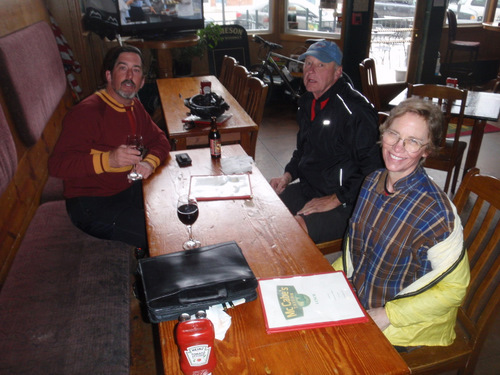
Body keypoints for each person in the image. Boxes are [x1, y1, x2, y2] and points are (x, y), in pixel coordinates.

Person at [333, 97, 470, 349]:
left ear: (426, 151)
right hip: (361, 299)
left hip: (402, 323)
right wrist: (331, 277)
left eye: (413, 141)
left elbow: (454, 289)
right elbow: (357, 248)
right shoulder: (373, 180)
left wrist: (386, 315)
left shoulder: (436, 214)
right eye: (393, 134)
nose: (398, 147)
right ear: (383, 133)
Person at [49, 45, 170, 253]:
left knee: (175, 212)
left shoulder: (134, 107)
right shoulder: (87, 112)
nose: (129, 75)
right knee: (162, 236)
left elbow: (160, 140)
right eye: (123, 68)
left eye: (136, 70)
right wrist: (109, 160)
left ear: (142, 82)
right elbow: (57, 166)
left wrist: (149, 163)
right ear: (109, 75)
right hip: (92, 205)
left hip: (127, 190)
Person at [270, 40, 383, 244]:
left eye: (321, 65)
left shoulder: (355, 111)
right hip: (310, 188)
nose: (311, 71)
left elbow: (374, 171)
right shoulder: (306, 102)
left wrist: (335, 199)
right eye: (308, 64)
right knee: (266, 212)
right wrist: (287, 176)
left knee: (292, 234)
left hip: (348, 202)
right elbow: (303, 151)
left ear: (338, 72)